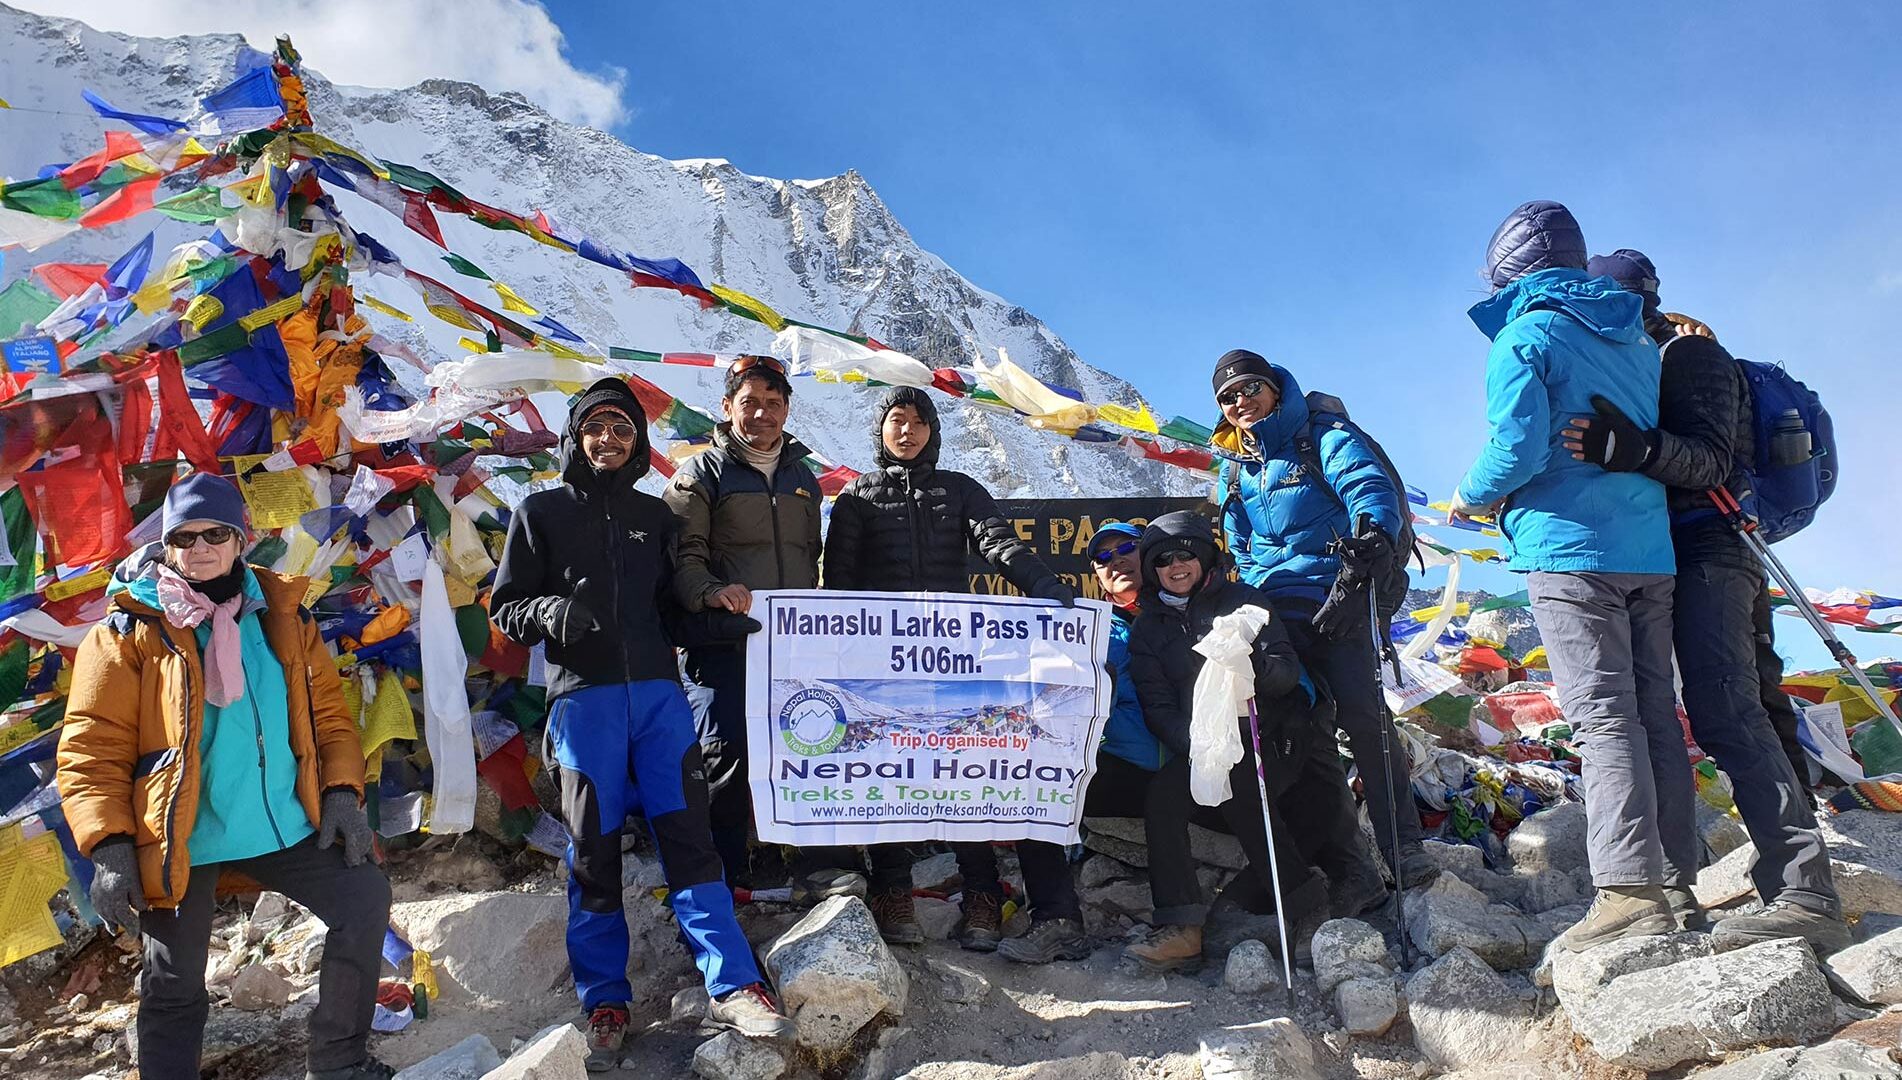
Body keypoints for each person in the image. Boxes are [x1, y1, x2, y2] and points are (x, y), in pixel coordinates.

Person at [492, 378, 793, 1069]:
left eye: (622, 430)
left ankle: (735, 983)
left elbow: (670, 614)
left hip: (660, 700)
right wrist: (547, 614)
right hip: (583, 705)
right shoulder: (539, 513)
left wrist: (721, 624)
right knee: (593, 854)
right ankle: (605, 996)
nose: (609, 439)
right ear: (576, 437)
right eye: (596, 428)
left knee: (689, 840)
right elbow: (508, 605)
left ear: (638, 442)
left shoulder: (655, 519)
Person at [58, 473, 393, 1080]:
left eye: (216, 533)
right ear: (167, 548)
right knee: (174, 981)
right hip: (182, 836)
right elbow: (90, 750)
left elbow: (328, 719)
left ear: (241, 540)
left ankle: (339, 1062)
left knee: (363, 899)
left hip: (280, 821)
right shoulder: (128, 633)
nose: (201, 548)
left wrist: (343, 792)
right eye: (184, 538)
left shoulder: (283, 616)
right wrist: (108, 847)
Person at [1561, 249, 1849, 953]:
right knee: (1734, 706)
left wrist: (1633, 450)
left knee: (1726, 712)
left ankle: (1805, 892)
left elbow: (1709, 462)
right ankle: (1716, 879)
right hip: (1683, 555)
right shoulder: (1648, 359)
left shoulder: (1689, 359)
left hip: (1713, 550)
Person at [1452, 201, 1692, 952]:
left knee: (1602, 716)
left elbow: (1517, 445)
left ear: (1506, 274)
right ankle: (1676, 875)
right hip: (1649, 550)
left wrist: (1470, 496)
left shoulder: (1526, 334)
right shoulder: (1636, 338)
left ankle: (1625, 890)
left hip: (1567, 547)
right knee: (1656, 711)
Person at [821, 386, 1077, 950]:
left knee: (964, 768)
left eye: (917, 421)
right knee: (885, 769)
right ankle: (893, 892)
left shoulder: (960, 490)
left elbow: (998, 545)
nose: (906, 431)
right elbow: (835, 584)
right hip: (878, 658)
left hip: (955, 655)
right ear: (880, 431)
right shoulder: (856, 498)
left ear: (933, 431)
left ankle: (982, 895)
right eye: (895, 421)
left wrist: (1047, 588)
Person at [1209, 347, 1434, 895]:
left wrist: (1374, 537)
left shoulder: (1321, 435)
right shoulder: (1234, 468)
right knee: (1302, 731)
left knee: (1364, 720)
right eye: (1228, 397)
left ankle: (1403, 848)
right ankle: (1344, 866)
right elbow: (1237, 543)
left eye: (1249, 388)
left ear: (1275, 389)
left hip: (1339, 594)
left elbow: (1368, 486)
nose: (1241, 401)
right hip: (1274, 613)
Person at [1121, 511, 1366, 970]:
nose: (1176, 566)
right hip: (1204, 742)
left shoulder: (1241, 602)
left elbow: (1286, 669)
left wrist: (1256, 672)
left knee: (1240, 785)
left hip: (1271, 734)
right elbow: (1157, 708)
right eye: (1163, 560)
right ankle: (1182, 925)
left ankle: (1304, 903)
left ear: (1204, 557)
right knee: (1164, 796)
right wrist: (1201, 745)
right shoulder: (1148, 629)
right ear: (1152, 570)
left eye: (1186, 554)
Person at [663, 355, 837, 893]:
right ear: (726, 407)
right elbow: (681, 557)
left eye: (773, 403)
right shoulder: (700, 474)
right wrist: (713, 593)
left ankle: (814, 866)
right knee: (727, 750)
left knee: (808, 742)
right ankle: (721, 876)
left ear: (787, 409)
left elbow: (812, 555)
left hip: (793, 646)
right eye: (750, 403)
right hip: (722, 642)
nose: (762, 414)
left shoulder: (803, 479)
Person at [1000, 520, 1166, 964]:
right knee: (1033, 779)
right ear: (1096, 574)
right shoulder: (1094, 629)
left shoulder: (1180, 609)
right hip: (1119, 764)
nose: (1117, 561)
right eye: (1104, 558)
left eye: (1127, 548)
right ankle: (1058, 920)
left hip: (1188, 763)